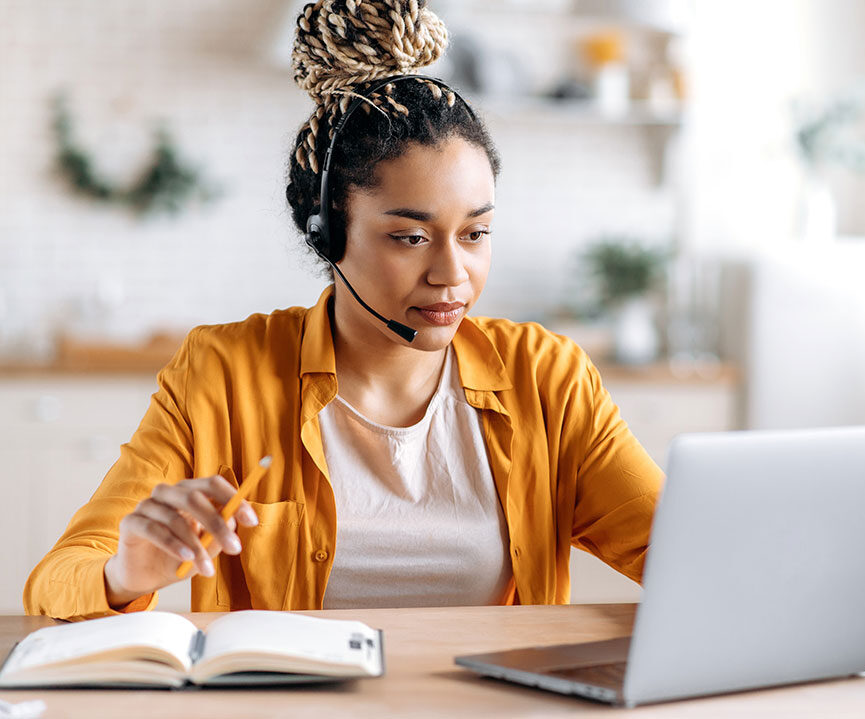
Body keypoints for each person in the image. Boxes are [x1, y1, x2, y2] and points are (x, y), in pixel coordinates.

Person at [23, 0, 662, 621]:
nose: (452, 274)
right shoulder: (221, 374)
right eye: (410, 237)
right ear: (329, 236)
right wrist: (124, 573)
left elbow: (680, 553)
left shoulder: (546, 378)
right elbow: (56, 580)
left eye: (475, 233)